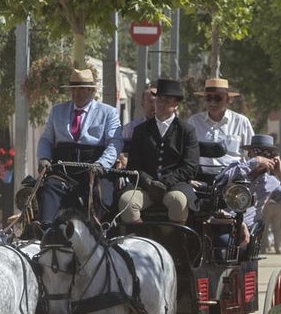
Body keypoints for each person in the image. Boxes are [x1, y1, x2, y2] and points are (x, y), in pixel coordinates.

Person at [32, 68, 122, 229]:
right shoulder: (57, 111)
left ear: (92, 90)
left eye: (81, 89)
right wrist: (44, 158)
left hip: (93, 169)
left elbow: (115, 143)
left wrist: (102, 164)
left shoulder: (108, 113)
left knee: (97, 195)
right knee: (50, 187)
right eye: (73, 89)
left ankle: (98, 231)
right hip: (63, 169)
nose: (76, 93)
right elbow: (46, 139)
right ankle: (44, 230)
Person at [118, 78, 199, 224]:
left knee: (178, 202)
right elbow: (133, 166)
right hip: (145, 187)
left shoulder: (187, 131)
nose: (160, 104)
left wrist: (165, 183)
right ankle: (141, 239)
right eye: (158, 99)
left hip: (175, 186)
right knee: (127, 202)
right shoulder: (140, 130)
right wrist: (149, 183)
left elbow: (190, 167)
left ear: (175, 104)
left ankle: (172, 241)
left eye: (167, 100)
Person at [214, 134, 281, 251]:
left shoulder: (271, 182)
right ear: (249, 153)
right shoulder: (236, 168)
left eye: (267, 153)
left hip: (250, 236)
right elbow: (220, 181)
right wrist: (255, 162)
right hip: (225, 227)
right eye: (257, 152)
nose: (263, 157)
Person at [188, 77, 254, 170]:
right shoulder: (194, 122)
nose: (212, 102)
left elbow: (252, 153)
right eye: (208, 98)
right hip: (200, 177)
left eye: (217, 98)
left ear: (227, 100)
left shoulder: (241, 122)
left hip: (232, 178)